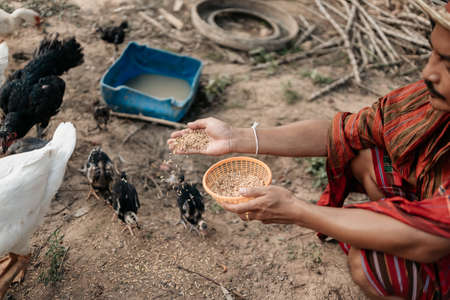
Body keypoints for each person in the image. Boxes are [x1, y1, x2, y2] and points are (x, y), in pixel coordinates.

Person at [168, 1, 450, 299]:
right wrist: (238, 138)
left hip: (437, 236)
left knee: (370, 265)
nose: (427, 72)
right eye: (433, 53)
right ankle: (394, 221)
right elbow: (342, 132)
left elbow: (430, 238)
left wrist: (298, 211)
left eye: (449, 63)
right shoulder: (423, 101)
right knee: (366, 154)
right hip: (436, 214)